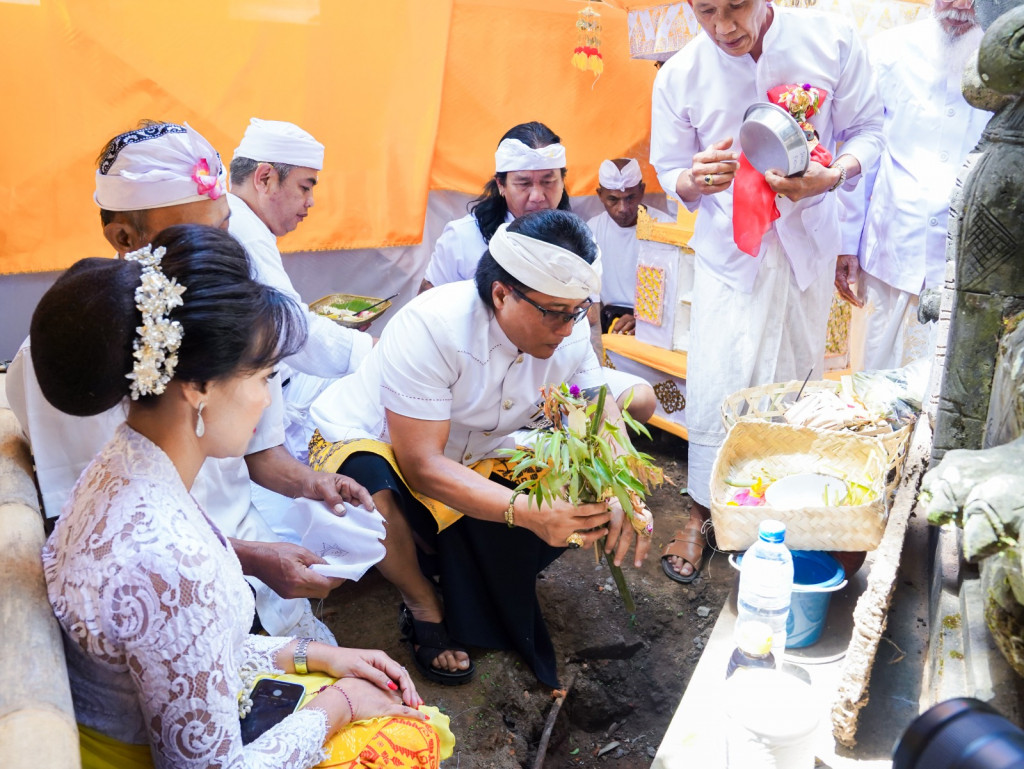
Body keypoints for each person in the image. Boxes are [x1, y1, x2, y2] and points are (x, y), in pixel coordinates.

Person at [36, 224, 452, 769]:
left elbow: (189, 653)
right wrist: (340, 704)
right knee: (414, 735)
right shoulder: (172, 560)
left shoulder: (125, 462)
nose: (266, 400)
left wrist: (315, 656)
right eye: (263, 376)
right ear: (199, 387)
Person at [5, 121, 369, 642]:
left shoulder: (233, 321)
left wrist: (313, 483)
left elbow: (261, 454)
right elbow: (101, 533)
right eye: (199, 233)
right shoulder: (75, 355)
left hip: (259, 572)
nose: (223, 248)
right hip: (170, 601)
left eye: (226, 226)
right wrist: (253, 559)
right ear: (124, 237)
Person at [308, 210, 652, 688]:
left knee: (577, 471)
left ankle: (454, 563)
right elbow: (421, 465)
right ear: (501, 294)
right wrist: (526, 512)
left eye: (578, 311)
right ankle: (422, 603)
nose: (567, 327)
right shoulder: (433, 327)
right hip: (386, 444)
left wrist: (622, 487)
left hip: (482, 447)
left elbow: (597, 414)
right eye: (554, 312)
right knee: (369, 491)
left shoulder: (568, 329)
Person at [650, 0, 883, 581]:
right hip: (731, 257)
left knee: (794, 381)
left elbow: (869, 131)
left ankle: (783, 518)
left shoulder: (831, 40)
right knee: (718, 380)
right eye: (707, 11)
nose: (725, 26)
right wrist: (694, 179)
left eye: (738, 5)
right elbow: (668, 168)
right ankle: (702, 514)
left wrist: (835, 174)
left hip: (807, 247)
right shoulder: (680, 74)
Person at [421, 122, 654, 421]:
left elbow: (590, 321)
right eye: (523, 183)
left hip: (557, 371)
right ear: (501, 185)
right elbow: (427, 311)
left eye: (548, 181)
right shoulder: (462, 238)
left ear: (562, 182)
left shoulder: (580, 240)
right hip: (482, 375)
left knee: (641, 399)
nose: (537, 196)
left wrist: (591, 383)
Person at [836, 0, 989, 370]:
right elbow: (863, 148)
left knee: (950, 383)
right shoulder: (888, 51)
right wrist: (845, 244)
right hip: (890, 255)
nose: (960, 5)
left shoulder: (1007, 61)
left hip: (971, 265)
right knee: (873, 380)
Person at [228, 118, 373, 382]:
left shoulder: (240, 219)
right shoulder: (244, 231)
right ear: (264, 178)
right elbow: (287, 328)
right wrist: (370, 350)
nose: (311, 201)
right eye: (305, 187)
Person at [587, 157, 671, 335]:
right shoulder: (591, 230)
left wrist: (644, 319)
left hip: (656, 326)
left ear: (642, 191)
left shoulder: (666, 227)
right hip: (608, 325)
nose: (623, 208)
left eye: (630, 198)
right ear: (600, 195)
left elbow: (675, 294)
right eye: (613, 199)